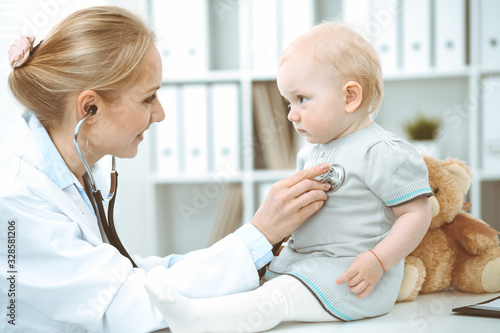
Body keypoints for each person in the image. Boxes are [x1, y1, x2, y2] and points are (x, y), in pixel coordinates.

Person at [0, 6, 332, 333]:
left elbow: (132, 276)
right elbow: (121, 305)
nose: (160, 114)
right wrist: (257, 236)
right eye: (148, 99)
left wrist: (259, 246)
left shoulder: (74, 170)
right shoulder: (17, 198)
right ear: (90, 108)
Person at [144, 22, 434, 332]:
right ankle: (198, 309)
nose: (291, 115)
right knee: (255, 284)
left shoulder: (383, 151)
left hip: (352, 278)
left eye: (302, 99)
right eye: (288, 102)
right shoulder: (311, 152)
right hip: (305, 264)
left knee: (279, 298)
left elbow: (417, 214)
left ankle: (197, 322)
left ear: (350, 96)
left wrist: (378, 260)